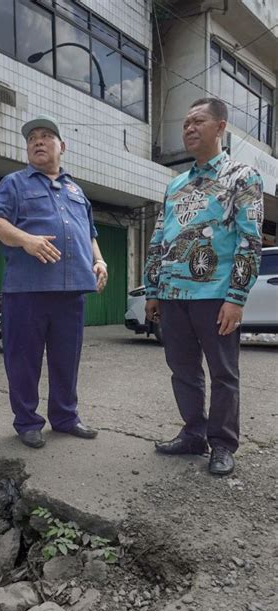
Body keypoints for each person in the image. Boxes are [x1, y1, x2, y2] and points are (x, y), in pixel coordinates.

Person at [144, 97, 263, 476]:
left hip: (215, 297)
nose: (190, 128)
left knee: (223, 373)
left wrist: (237, 297)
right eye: (186, 123)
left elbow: (250, 240)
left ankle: (223, 443)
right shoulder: (175, 184)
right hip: (173, 296)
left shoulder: (242, 176)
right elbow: (159, 238)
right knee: (182, 370)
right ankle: (193, 433)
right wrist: (152, 289)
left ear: (220, 127)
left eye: (198, 121)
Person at [0, 115, 108, 449]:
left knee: (66, 359)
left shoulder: (76, 190)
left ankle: (66, 417)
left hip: (71, 292)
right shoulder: (14, 183)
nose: (37, 142)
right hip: (27, 290)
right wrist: (27, 240)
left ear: (62, 147)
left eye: (45, 137)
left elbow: (90, 233)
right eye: (31, 139)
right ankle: (27, 421)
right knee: (23, 359)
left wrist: (99, 260)